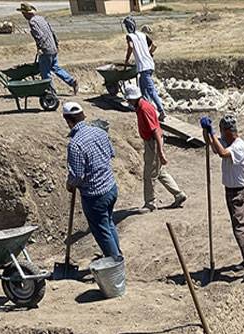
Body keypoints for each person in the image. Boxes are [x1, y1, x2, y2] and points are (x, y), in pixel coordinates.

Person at [201, 115, 244, 282]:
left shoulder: (239, 147)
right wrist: (206, 132)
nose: (220, 135)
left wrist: (212, 133)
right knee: (238, 227)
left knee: (241, 229)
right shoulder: (228, 143)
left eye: (222, 132)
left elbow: (221, 153)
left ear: (229, 132)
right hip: (230, 191)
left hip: (238, 193)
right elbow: (213, 147)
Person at [63, 102, 120, 257]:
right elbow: (110, 154)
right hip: (111, 187)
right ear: (83, 116)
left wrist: (69, 184)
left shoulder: (75, 145)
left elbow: (77, 176)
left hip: (95, 196)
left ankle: (115, 263)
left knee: (102, 231)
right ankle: (117, 254)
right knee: (108, 223)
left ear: (68, 121)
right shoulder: (100, 132)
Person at [125, 85, 186, 213]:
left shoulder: (144, 109)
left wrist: (160, 151)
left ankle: (150, 203)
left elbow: (156, 131)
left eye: (129, 99)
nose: (128, 102)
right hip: (151, 142)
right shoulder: (141, 106)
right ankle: (178, 194)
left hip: (152, 143)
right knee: (159, 172)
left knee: (149, 175)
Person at [19, 3, 77, 95]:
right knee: (55, 67)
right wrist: (56, 44)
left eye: (23, 13)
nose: (23, 15)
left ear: (27, 14)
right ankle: (71, 81)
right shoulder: (41, 19)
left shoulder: (32, 22)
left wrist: (40, 48)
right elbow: (52, 31)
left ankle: (51, 92)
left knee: (45, 72)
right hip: (53, 47)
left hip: (46, 49)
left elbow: (39, 36)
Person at [122, 16, 166, 121]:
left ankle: (161, 111)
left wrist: (126, 60)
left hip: (143, 67)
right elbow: (154, 45)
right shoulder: (142, 35)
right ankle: (147, 109)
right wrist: (149, 54)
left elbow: (131, 47)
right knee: (143, 89)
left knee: (151, 90)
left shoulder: (130, 36)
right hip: (149, 65)